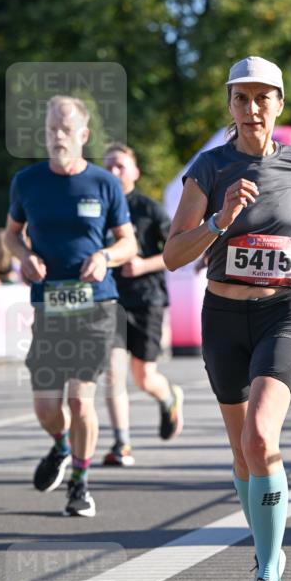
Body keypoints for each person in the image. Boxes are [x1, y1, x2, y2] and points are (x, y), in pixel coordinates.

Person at [163, 56, 291, 581]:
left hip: (284, 312)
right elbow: (175, 255)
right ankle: (267, 549)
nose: (252, 108)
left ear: (279, 103)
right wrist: (221, 220)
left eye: (263, 97)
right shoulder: (210, 167)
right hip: (224, 316)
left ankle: (268, 577)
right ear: (230, 105)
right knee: (242, 453)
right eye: (241, 98)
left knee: (259, 435)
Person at [4, 95, 136, 516]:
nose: (56, 137)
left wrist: (105, 258)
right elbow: (11, 234)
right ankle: (61, 445)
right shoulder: (27, 181)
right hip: (48, 306)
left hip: (95, 306)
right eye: (49, 130)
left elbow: (128, 241)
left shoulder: (104, 182)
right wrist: (24, 257)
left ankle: (80, 482)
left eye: (64, 130)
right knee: (46, 406)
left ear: (84, 134)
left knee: (81, 401)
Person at [101, 144, 184, 467]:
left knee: (143, 376)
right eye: (108, 166)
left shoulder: (149, 209)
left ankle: (168, 397)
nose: (113, 172)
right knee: (112, 374)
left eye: (120, 166)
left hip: (147, 299)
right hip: (109, 300)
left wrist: (143, 265)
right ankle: (122, 443)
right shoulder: (99, 206)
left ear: (135, 171)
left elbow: (175, 252)